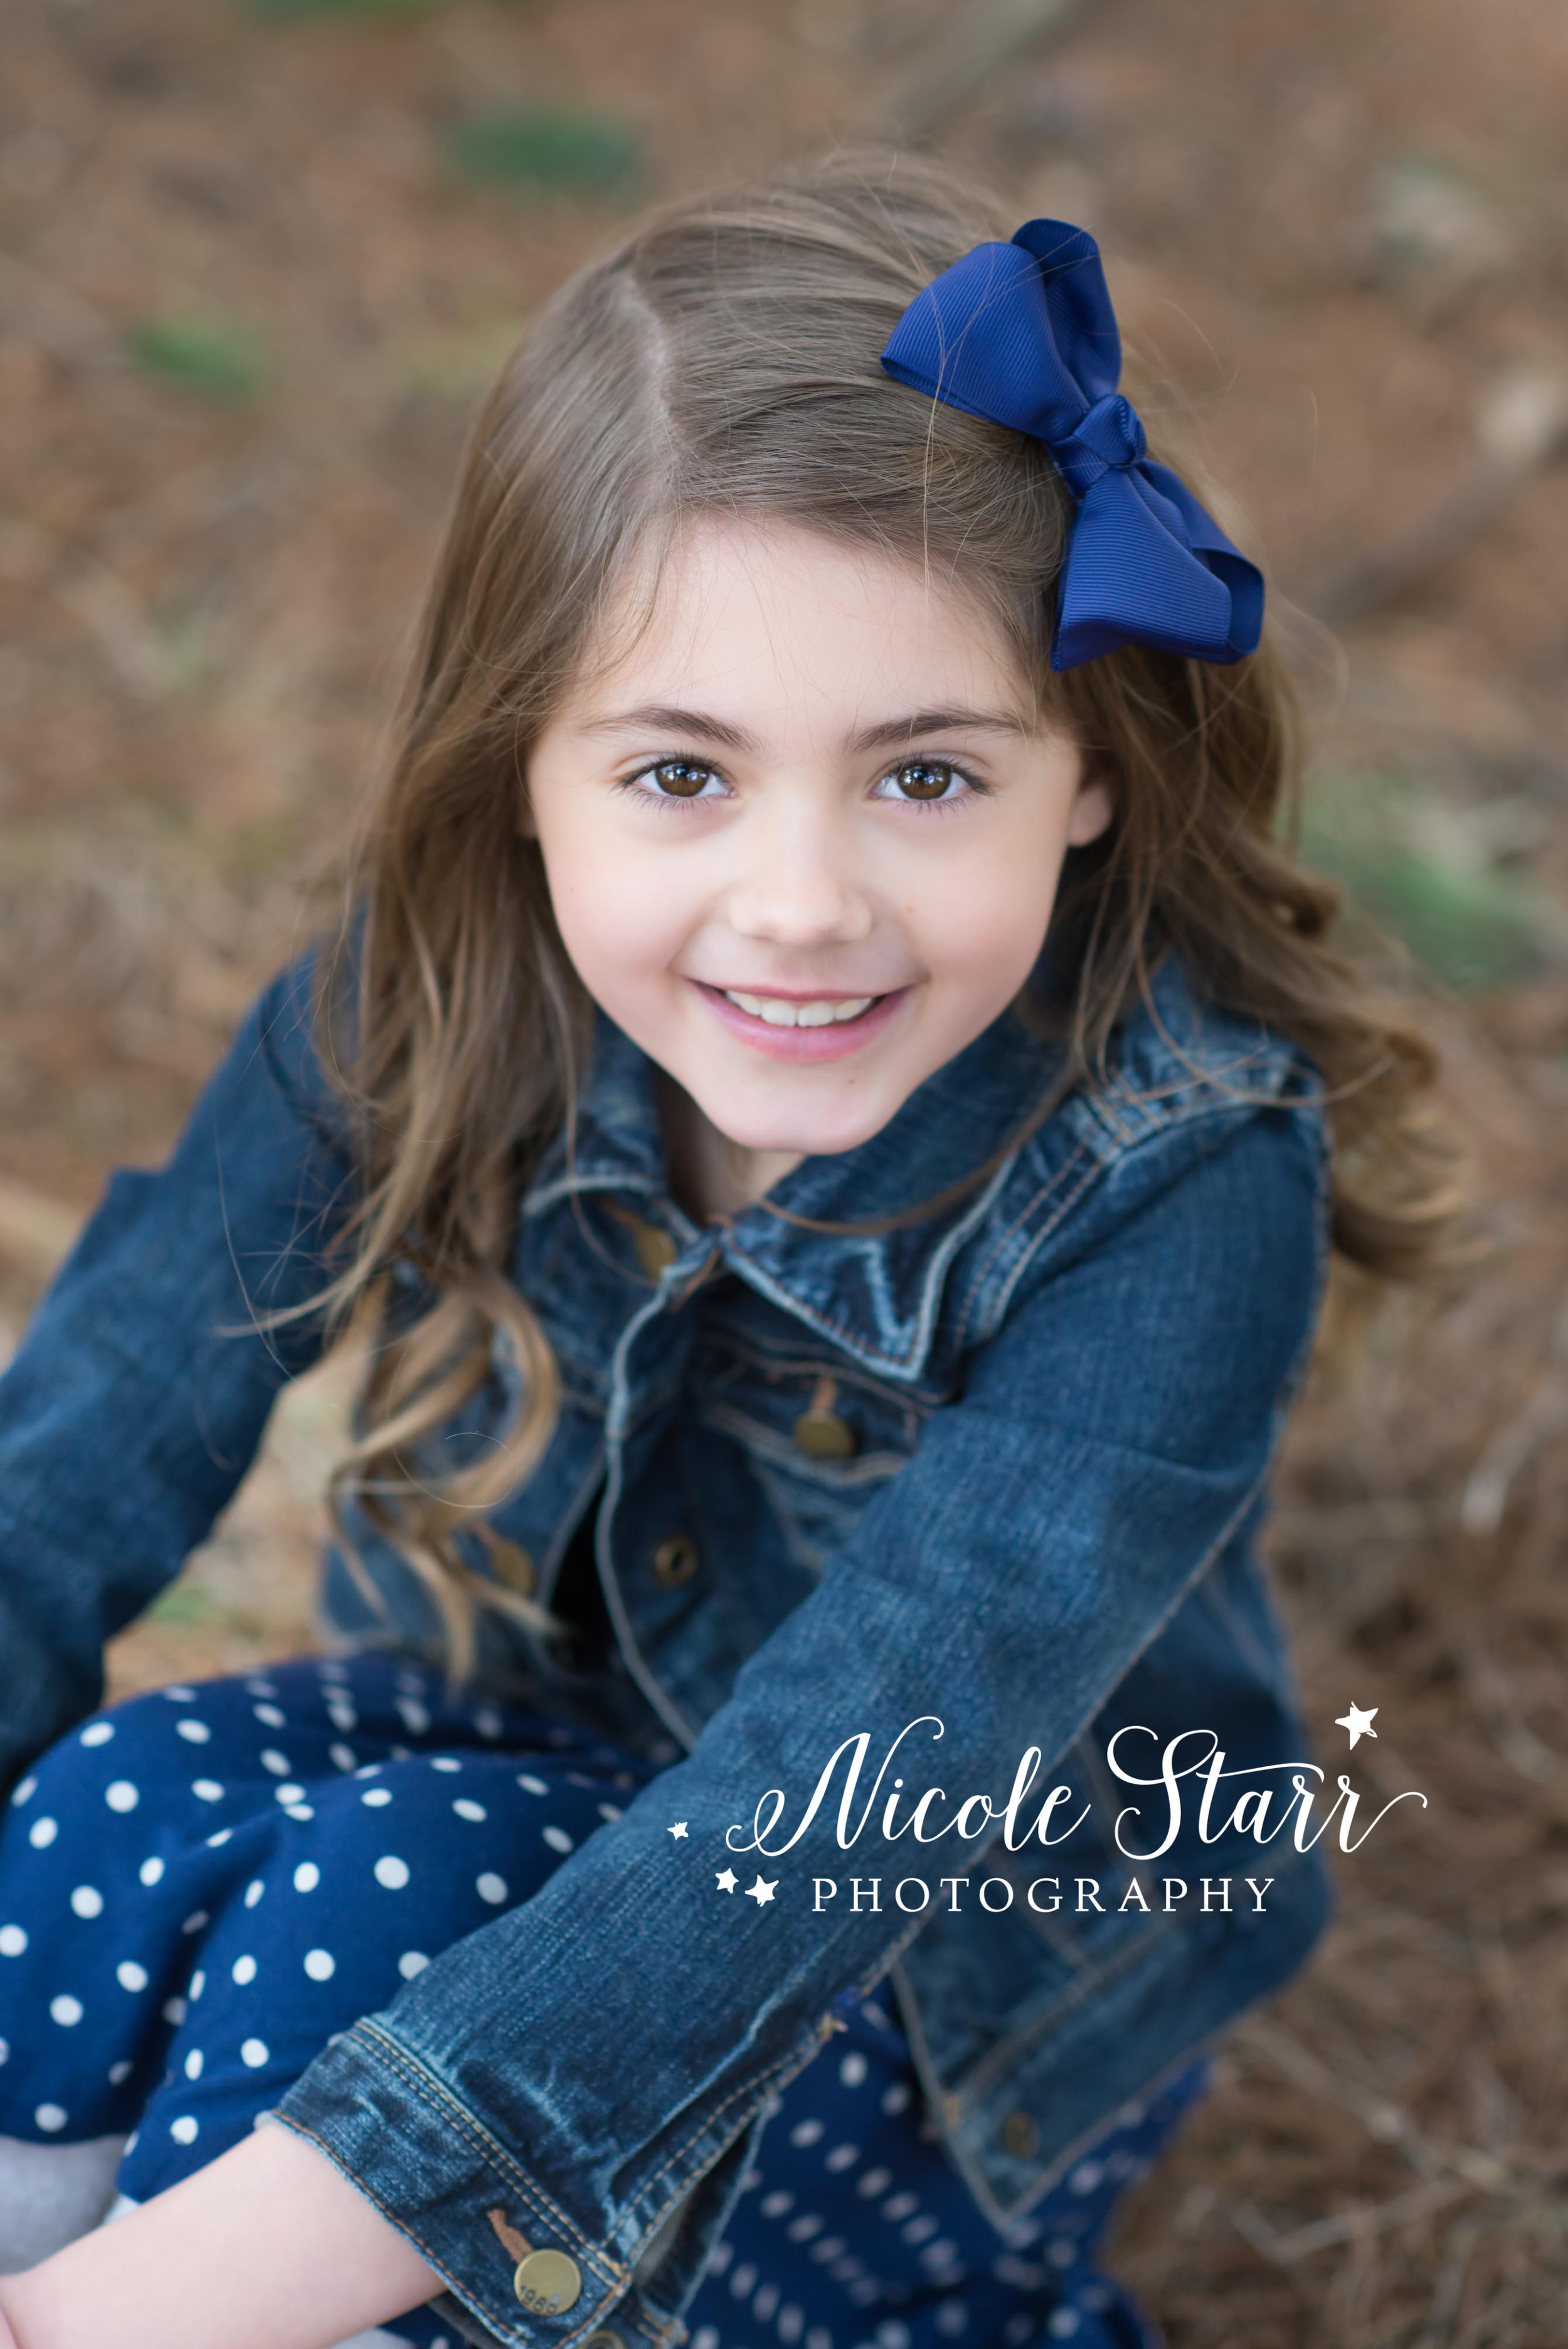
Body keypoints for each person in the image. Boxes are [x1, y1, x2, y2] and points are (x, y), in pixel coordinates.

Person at [0, 151, 1455, 2349]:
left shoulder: (1178, 1179)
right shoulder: (429, 974)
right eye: (681, 774)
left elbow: (832, 1804)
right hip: (524, 1770)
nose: (799, 904)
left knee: (393, 1913)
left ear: (1085, 766)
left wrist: (167, 2298)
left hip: (930, 1970)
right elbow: (85, 1450)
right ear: (520, 768)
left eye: (923, 776)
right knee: (115, 1817)